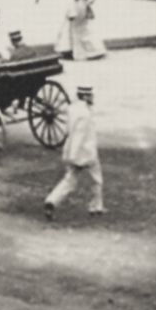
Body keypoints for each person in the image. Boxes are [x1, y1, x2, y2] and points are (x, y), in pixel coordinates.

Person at [44, 85, 105, 220]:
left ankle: (52, 200)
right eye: (90, 95)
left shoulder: (72, 109)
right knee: (97, 180)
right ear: (85, 96)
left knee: (69, 180)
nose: (92, 98)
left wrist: (70, 153)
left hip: (72, 150)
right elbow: (81, 134)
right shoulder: (85, 114)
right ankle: (96, 207)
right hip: (87, 152)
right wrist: (76, 154)